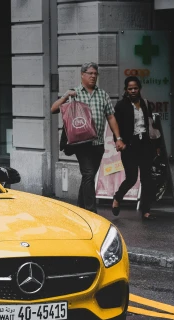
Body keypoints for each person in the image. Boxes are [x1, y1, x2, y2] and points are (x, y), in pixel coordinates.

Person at [51, 62, 121, 214]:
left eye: (95, 74)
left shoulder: (103, 94)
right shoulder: (74, 92)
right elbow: (53, 109)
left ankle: (79, 209)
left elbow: (111, 117)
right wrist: (65, 96)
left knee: (88, 177)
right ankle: (91, 212)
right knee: (88, 174)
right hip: (81, 143)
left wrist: (118, 137)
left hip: (98, 143)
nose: (93, 76)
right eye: (90, 73)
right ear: (82, 75)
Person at [110, 76, 162, 221]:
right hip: (130, 146)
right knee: (132, 178)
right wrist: (119, 141)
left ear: (139, 89)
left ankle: (146, 211)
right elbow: (115, 126)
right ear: (126, 90)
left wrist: (156, 146)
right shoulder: (121, 106)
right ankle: (117, 198)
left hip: (145, 145)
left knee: (147, 179)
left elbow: (151, 125)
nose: (133, 91)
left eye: (135, 88)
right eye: (130, 88)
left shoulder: (145, 104)